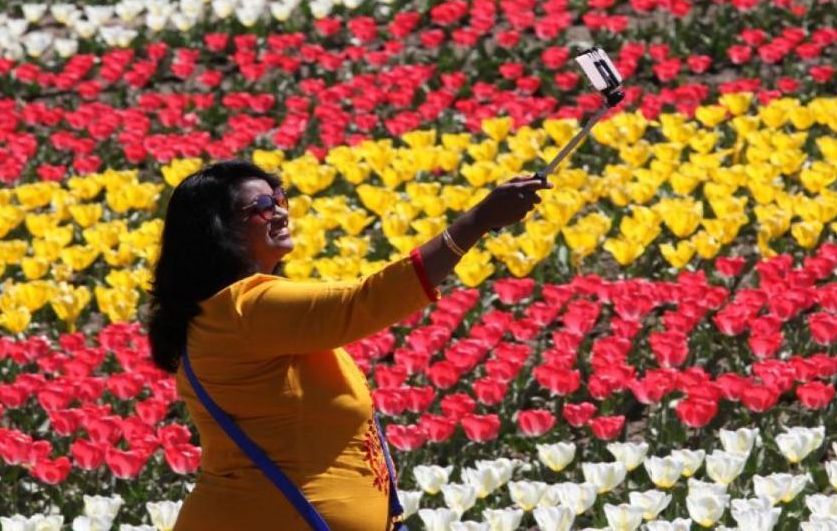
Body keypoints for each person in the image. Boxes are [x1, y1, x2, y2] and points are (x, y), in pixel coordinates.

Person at [145, 158, 552, 530]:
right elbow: (364, 301)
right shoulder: (245, 307)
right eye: (263, 206)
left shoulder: (242, 311)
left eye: (280, 196)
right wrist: (478, 220)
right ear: (219, 230)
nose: (282, 210)